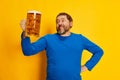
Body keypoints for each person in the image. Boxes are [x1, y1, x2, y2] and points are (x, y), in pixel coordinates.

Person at [20, 12, 104, 80]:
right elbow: (28, 51)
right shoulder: (48, 39)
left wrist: (86, 67)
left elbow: (99, 51)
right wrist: (25, 33)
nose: (59, 23)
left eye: (63, 20)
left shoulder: (80, 39)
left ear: (71, 23)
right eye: (57, 21)